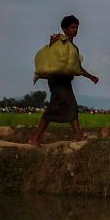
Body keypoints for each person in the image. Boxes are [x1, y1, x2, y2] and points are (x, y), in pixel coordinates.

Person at [31, 16, 99, 147]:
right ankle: (78, 135)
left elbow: (77, 68)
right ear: (64, 29)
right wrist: (52, 42)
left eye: (77, 27)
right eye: (72, 27)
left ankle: (35, 138)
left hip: (66, 81)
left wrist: (91, 76)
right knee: (70, 105)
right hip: (57, 81)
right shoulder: (59, 41)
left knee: (58, 108)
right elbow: (51, 57)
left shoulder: (74, 48)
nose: (75, 30)